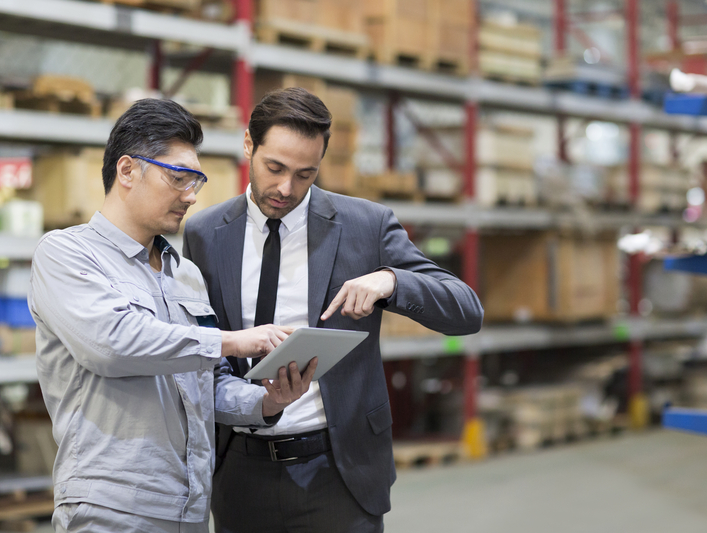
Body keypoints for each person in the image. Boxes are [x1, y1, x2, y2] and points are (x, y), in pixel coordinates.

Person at [182, 87, 484, 533]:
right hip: (239, 472)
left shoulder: (366, 226)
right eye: (274, 168)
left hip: (338, 473)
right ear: (248, 144)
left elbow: (466, 310)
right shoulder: (206, 234)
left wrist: (391, 281)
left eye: (305, 174)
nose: (286, 188)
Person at [28, 98, 317, 533]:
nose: (192, 195)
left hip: (190, 508)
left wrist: (268, 401)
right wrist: (232, 340)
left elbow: (205, 382)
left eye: (196, 180)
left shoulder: (186, 276)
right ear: (127, 171)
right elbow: (111, 344)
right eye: (179, 178)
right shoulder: (67, 254)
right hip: (112, 509)